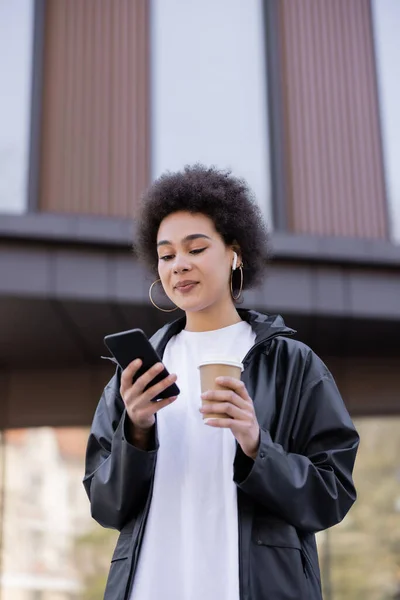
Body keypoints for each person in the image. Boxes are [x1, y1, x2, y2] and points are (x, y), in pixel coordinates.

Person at [83, 165, 359, 600]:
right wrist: (134, 431)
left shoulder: (292, 363)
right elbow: (105, 505)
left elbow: (331, 495)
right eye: (167, 254)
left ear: (235, 253)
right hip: (151, 586)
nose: (180, 266)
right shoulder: (137, 371)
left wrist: (255, 445)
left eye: (196, 248)